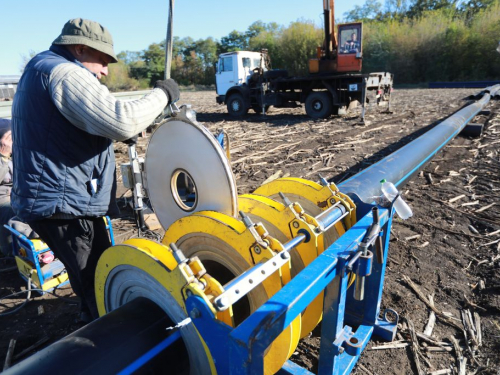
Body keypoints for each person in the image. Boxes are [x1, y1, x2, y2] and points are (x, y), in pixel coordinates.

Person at [11, 18, 180, 323]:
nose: (104, 71)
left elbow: (69, 126)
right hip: (65, 205)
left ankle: (93, 317)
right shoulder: (63, 72)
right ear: (79, 48)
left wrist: (107, 131)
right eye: (102, 61)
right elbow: (122, 119)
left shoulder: (41, 68)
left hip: (59, 200)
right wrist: (163, 94)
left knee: (92, 274)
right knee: (99, 281)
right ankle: (108, 340)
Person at [0, 119, 15, 257]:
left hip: (18, 193)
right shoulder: (4, 153)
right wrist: (3, 157)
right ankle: (10, 253)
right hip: (2, 197)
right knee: (10, 212)